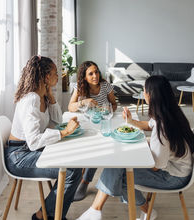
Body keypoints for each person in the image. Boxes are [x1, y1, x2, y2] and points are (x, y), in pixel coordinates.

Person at [76, 75, 194, 220]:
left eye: (144, 89)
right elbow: (148, 126)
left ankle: (143, 210)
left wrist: (137, 152)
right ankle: (97, 209)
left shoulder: (161, 127)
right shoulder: (168, 112)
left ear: (150, 94)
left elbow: (156, 166)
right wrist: (131, 121)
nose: (143, 92)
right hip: (178, 168)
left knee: (123, 174)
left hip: (174, 177)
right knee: (120, 166)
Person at [5, 55, 82, 220]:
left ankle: (54, 215)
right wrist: (63, 133)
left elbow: (58, 120)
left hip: (30, 150)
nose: (59, 75)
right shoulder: (31, 99)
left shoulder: (41, 95)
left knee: (75, 161)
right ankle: (43, 216)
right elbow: (33, 142)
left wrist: (51, 98)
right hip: (19, 157)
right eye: (55, 72)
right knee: (71, 170)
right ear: (46, 77)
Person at [68, 61, 117, 201]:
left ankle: (84, 182)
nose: (95, 75)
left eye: (96, 72)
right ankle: (76, 179)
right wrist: (84, 101)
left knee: (98, 150)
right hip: (86, 123)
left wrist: (109, 109)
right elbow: (70, 107)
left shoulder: (106, 85)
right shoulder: (80, 87)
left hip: (103, 122)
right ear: (84, 77)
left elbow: (114, 104)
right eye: (91, 73)